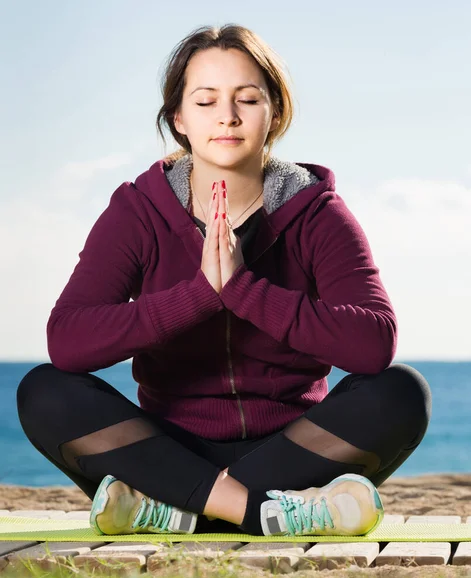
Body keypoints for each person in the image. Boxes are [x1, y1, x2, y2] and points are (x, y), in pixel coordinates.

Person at [17, 24, 431, 538]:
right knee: (43, 390)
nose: (228, 117)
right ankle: (264, 513)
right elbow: (68, 341)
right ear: (179, 118)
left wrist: (244, 291)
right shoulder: (137, 211)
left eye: (247, 99)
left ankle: (175, 510)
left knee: (403, 392)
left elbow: (373, 344)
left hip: (292, 450)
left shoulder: (318, 212)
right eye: (206, 100)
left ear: (274, 112)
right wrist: (197, 297)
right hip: (167, 450)